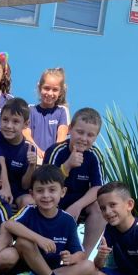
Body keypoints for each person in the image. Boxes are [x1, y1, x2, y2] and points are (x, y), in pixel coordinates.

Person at [3, 165, 94, 275]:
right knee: (23, 242)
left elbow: (80, 254)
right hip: (24, 269)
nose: (46, 195)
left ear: (62, 192)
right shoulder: (29, 210)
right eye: (40, 191)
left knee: (88, 266)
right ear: (32, 194)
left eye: (52, 190)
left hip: (50, 271)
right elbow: (9, 224)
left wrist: (71, 258)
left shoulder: (68, 220)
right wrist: (39, 239)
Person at [44, 107, 105, 257]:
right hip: (55, 199)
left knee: (99, 207)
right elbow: (45, 183)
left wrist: (78, 206)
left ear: (96, 137)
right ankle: (47, 252)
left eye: (90, 135)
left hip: (80, 202)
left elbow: (98, 188)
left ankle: (83, 255)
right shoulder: (56, 151)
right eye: (80, 132)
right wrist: (67, 166)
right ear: (70, 129)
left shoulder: (94, 155)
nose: (84, 138)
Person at [0, 98, 37, 208]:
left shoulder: (30, 148)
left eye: (15, 121)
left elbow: (25, 186)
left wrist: (32, 166)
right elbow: (0, 161)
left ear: (26, 124)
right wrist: (5, 188)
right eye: (5, 120)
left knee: (29, 202)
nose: (9, 126)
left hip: (18, 192)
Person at [23, 67, 70, 163]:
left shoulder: (62, 111)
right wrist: (37, 150)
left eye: (55, 90)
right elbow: (25, 133)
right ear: (39, 87)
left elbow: (61, 137)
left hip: (53, 162)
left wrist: (50, 154)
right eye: (46, 88)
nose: (50, 93)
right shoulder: (30, 110)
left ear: (60, 92)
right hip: (33, 160)